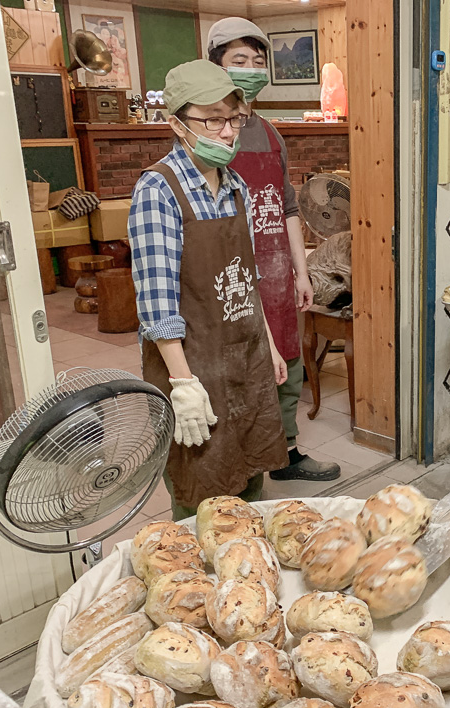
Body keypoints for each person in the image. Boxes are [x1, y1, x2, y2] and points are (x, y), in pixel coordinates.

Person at [129, 60, 289, 520]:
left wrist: (271, 347)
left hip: (245, 358)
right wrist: (182, 384)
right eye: (212, 119)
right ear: (177, 123)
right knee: (203, 496)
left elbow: (247, 279)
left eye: (233, 119)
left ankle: (250, 583)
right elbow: (157, 305)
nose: (226, 132)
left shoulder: (237, 186)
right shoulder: (159, 191)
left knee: (251, 478)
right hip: (194, 368)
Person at [205, 17, 342, 483]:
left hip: (278, 269)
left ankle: (285, 454)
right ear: (215, 66)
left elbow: (285, 207)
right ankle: (243, 461)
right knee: (242, 369)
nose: (250, 68)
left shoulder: (271, 134)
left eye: (257, 60)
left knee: (288, 360)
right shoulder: (206, 135)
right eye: (238, 60)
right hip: (231, 274)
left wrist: (301, 272)